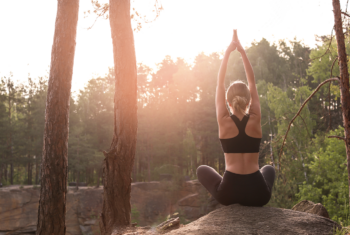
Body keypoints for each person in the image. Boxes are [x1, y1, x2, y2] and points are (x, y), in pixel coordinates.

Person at [196, 31, 275, 207]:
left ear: (228, 102)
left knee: (202, 169)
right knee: (268, 169)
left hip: (229, 193)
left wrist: (227, 52)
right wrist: (242, 51)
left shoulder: (224, 120)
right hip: (258, 195)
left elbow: (220, 83)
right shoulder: (255, 119)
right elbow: (252, 82)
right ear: (249, 101)